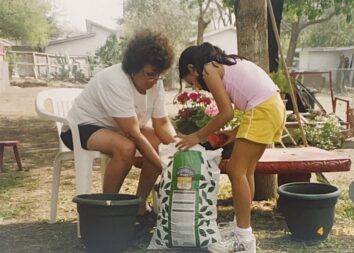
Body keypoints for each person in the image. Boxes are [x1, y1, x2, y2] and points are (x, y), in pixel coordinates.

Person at [176, 42, 286, 253]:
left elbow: (225, 112)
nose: (197, 88)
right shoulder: (229, 63)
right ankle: (241, 228)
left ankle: (244, 240)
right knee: (246, 172)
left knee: (235, 171)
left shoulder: (208, 68)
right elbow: (249, 98)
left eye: (191, 83)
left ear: (192, 68)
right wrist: (234, 134)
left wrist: (197, 136)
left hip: (262, 109)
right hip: (273, 107)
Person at [60, 30, 176, 222]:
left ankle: (139, 206)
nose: (154, 80)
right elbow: (133, 135)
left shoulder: (156, 83)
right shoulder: (114, 80)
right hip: (82, 127)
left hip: (117, 128)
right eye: (149, 74)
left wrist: (180, 149)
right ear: (133, 67)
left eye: (159, 75)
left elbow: (162, 124)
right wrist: (165, 168)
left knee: (158, 142)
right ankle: (107, 210)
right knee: (126, 148)